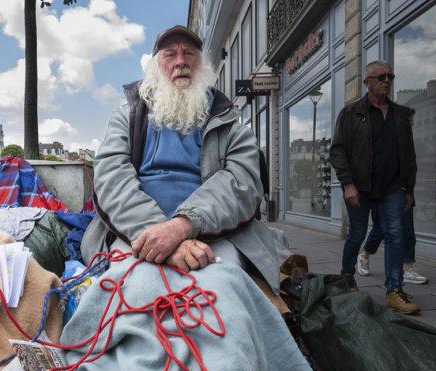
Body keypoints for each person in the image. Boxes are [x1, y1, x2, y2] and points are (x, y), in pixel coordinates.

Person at [81, 25, 288, 292]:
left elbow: (242, 184)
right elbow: (112, 180)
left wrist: (182, 227)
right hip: (137, 230)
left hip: (211, 233)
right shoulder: (126, 118)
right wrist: (162, 234)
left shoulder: (230, 124)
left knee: (223, 288)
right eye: (170, 55)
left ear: (201, 65)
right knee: (131, 288)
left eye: (189, 54)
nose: (181, 62)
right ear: (156, 67)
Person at [330, 60, 421, 314]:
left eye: (390, 76)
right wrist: (348, 183)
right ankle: (347, 276)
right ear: (367, 82)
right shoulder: (351, 113)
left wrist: (409, 189)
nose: (387, 81)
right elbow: (338, 151)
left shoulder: (400, 115)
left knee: (395, 234)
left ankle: (394, 290)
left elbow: (409, 154)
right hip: (360, 186)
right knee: (357, 233)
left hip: (392, 186)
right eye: (381, 77)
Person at [356, 206, 429, 284]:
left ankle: (407, 269)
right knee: (380, 228)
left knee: (408, 228)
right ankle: (364, 256)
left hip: (403, 195)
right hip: (381, 196)